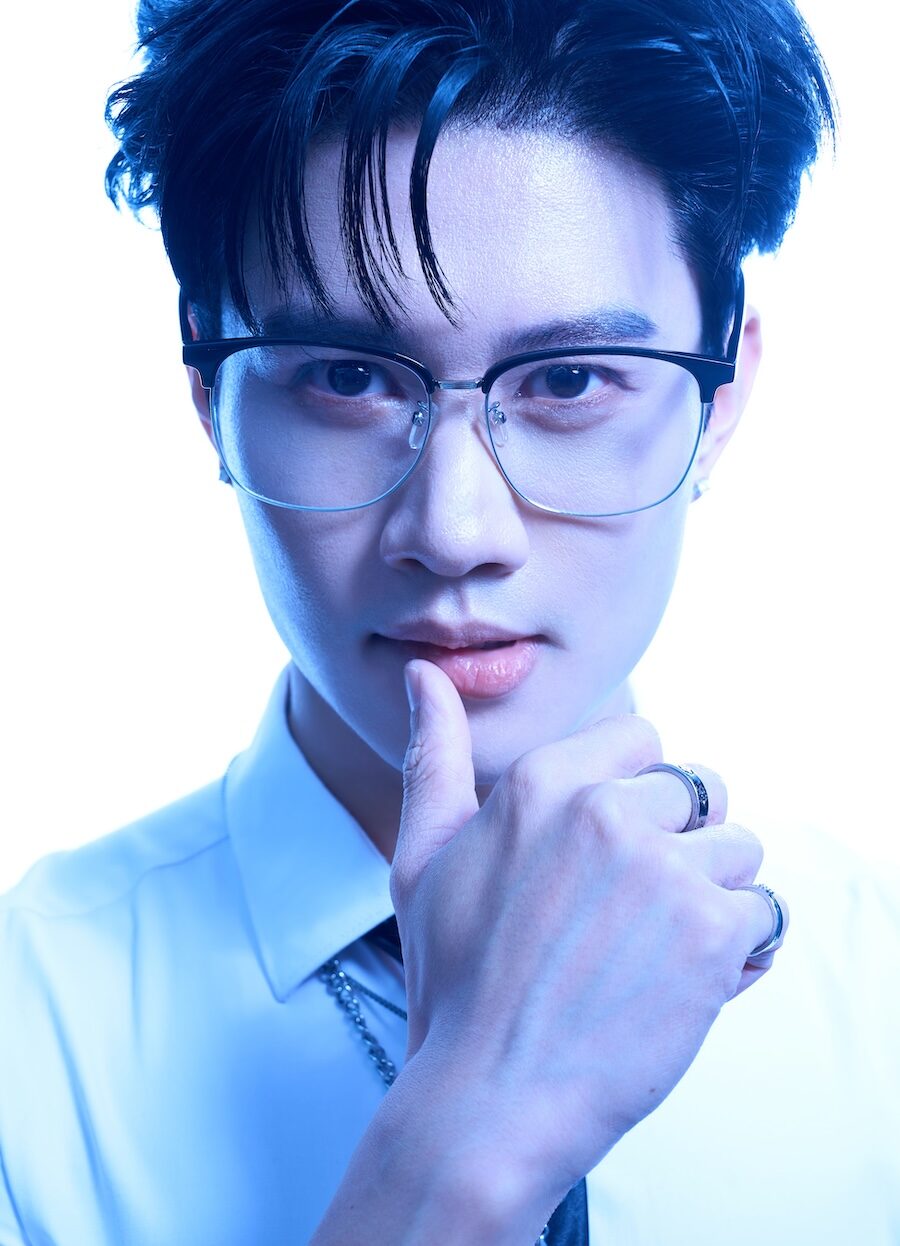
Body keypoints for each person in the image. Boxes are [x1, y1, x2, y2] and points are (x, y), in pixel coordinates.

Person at [0, 0, 897, 1243]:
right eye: (348, 376)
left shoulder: (877, 988)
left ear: (724, 392)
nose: (458, 525)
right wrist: (464, 1147)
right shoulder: (31, 1038)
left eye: (569, 378)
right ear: (208, 389)